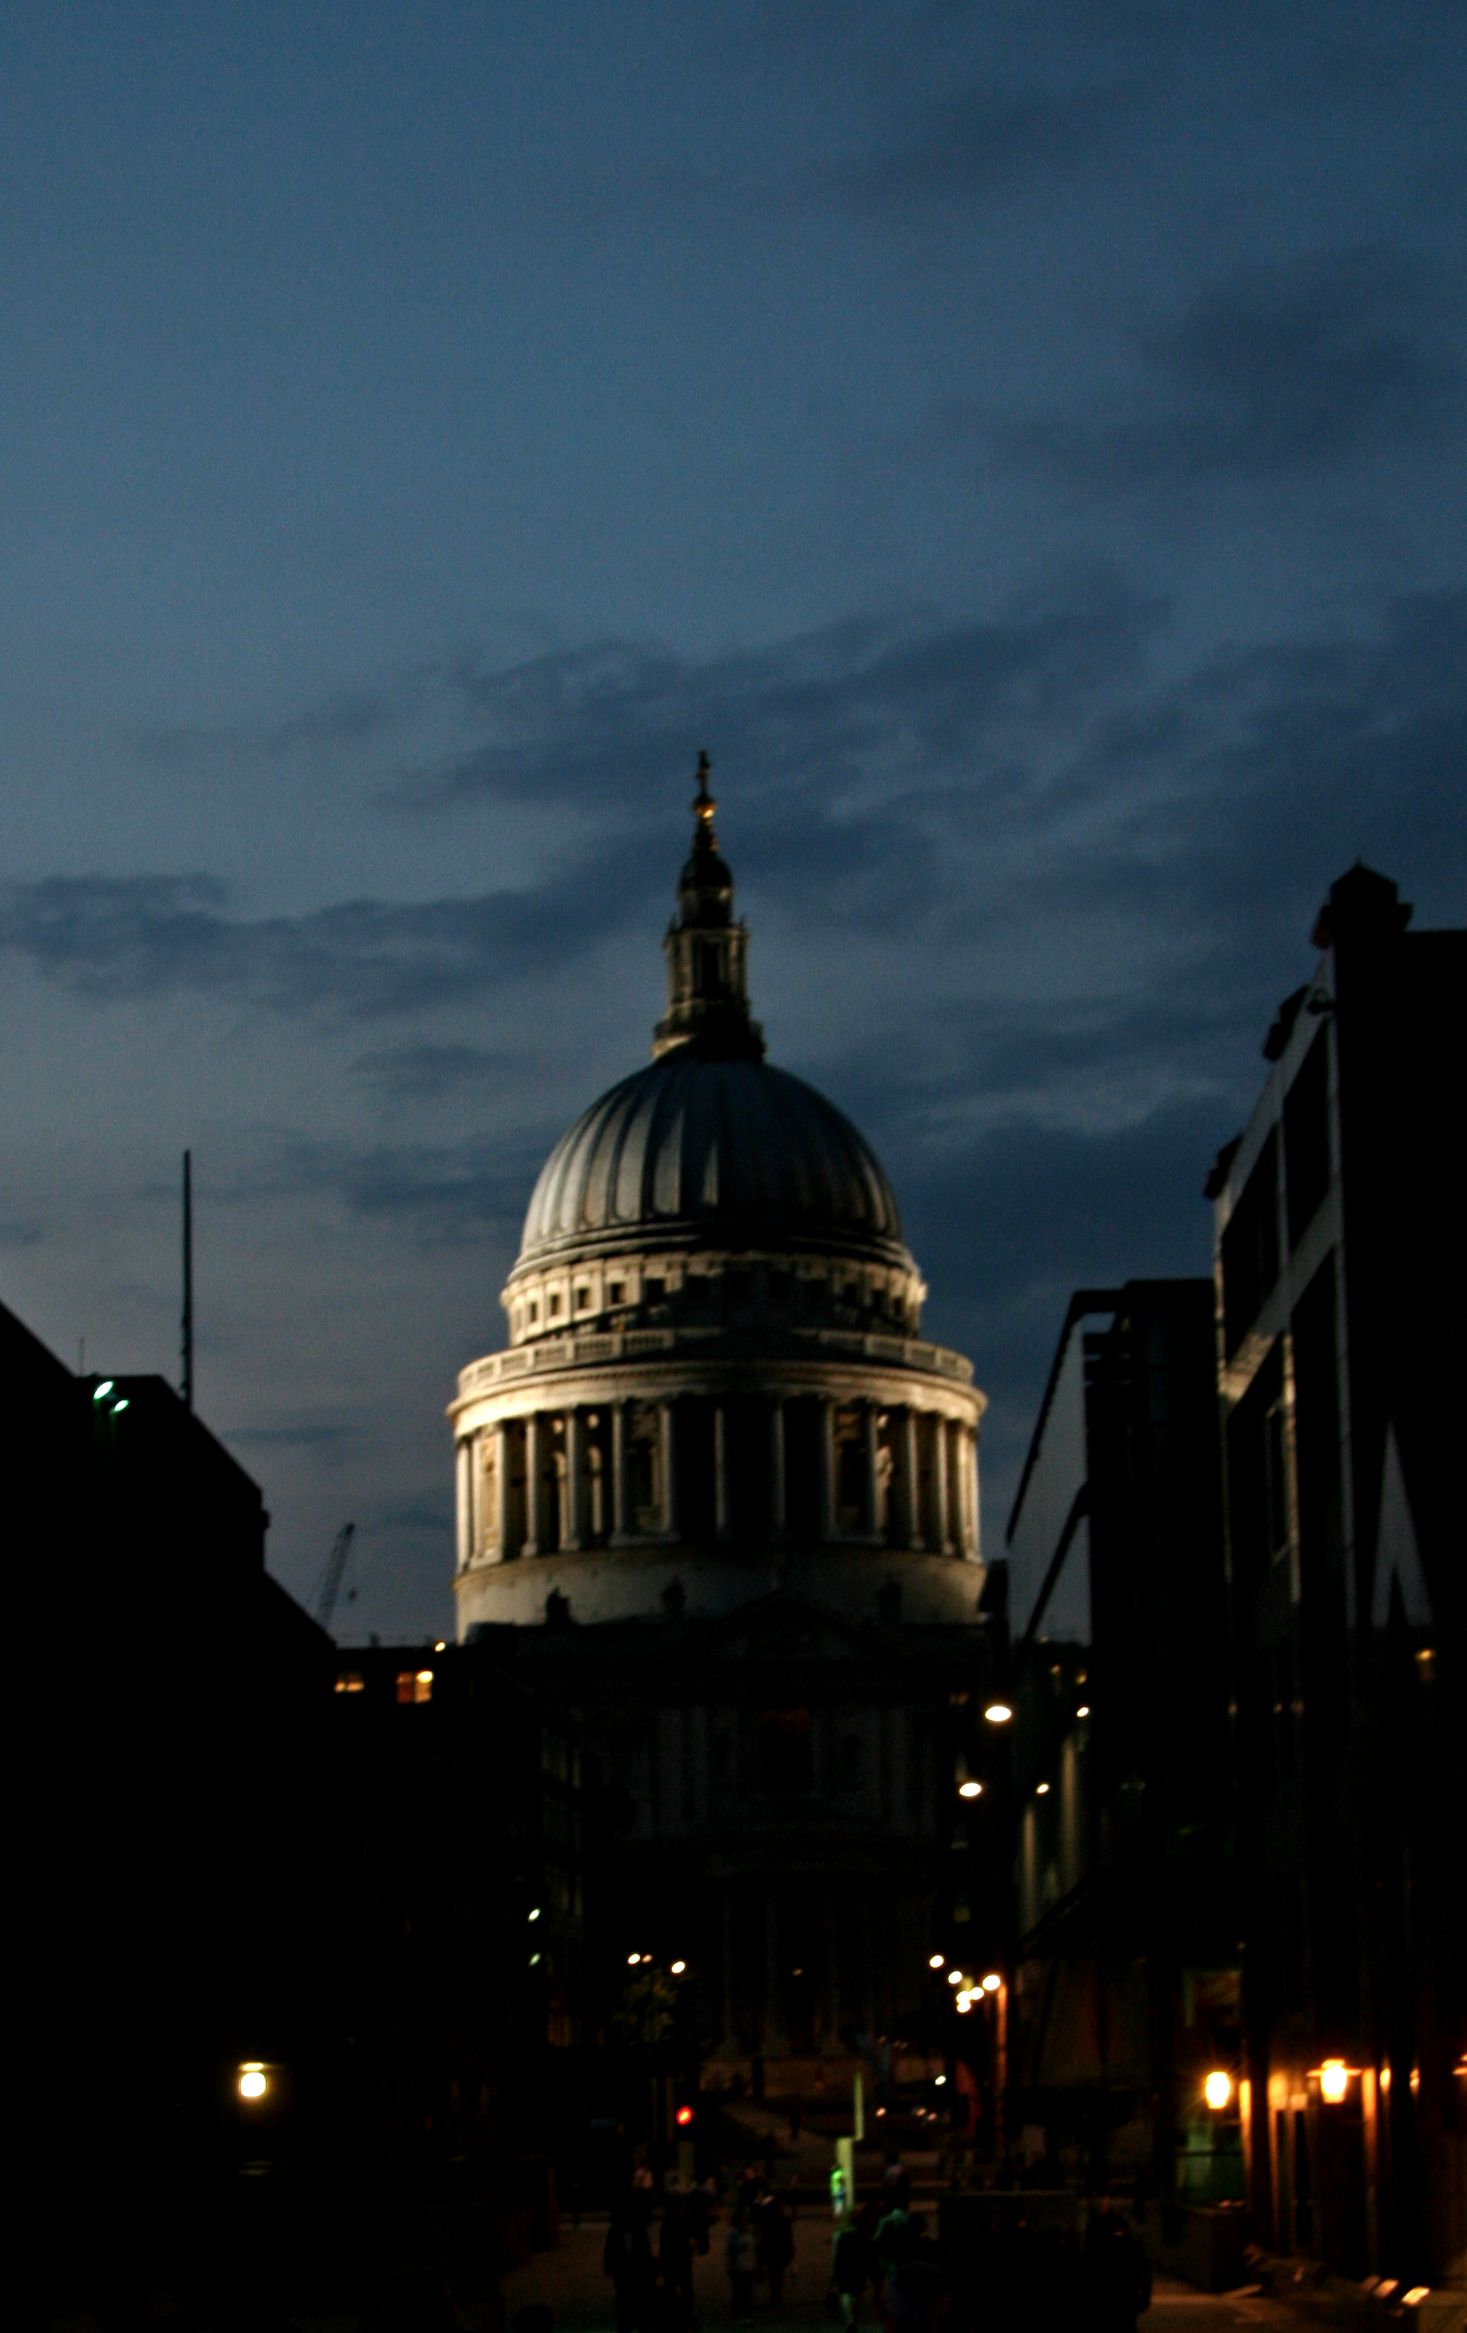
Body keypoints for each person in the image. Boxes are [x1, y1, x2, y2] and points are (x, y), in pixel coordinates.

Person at [605, 2196, 656, 2333]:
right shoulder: (616, 2231)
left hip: (636, 2273)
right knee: (624, 2302)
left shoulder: (638, 2231)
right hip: (623, 2273)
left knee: (635, 2303)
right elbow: (610, 2250)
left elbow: (646, 2252)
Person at [726, 2207, 760, 2327]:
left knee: (748, 2292)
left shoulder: (750, 2232)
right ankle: (740, 2315)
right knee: (739, 2292)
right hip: (738, 2267)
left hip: (749, 2266)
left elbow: (755, 2249)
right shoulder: (733, 2234)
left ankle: (746, 2315)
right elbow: (729, 2251)